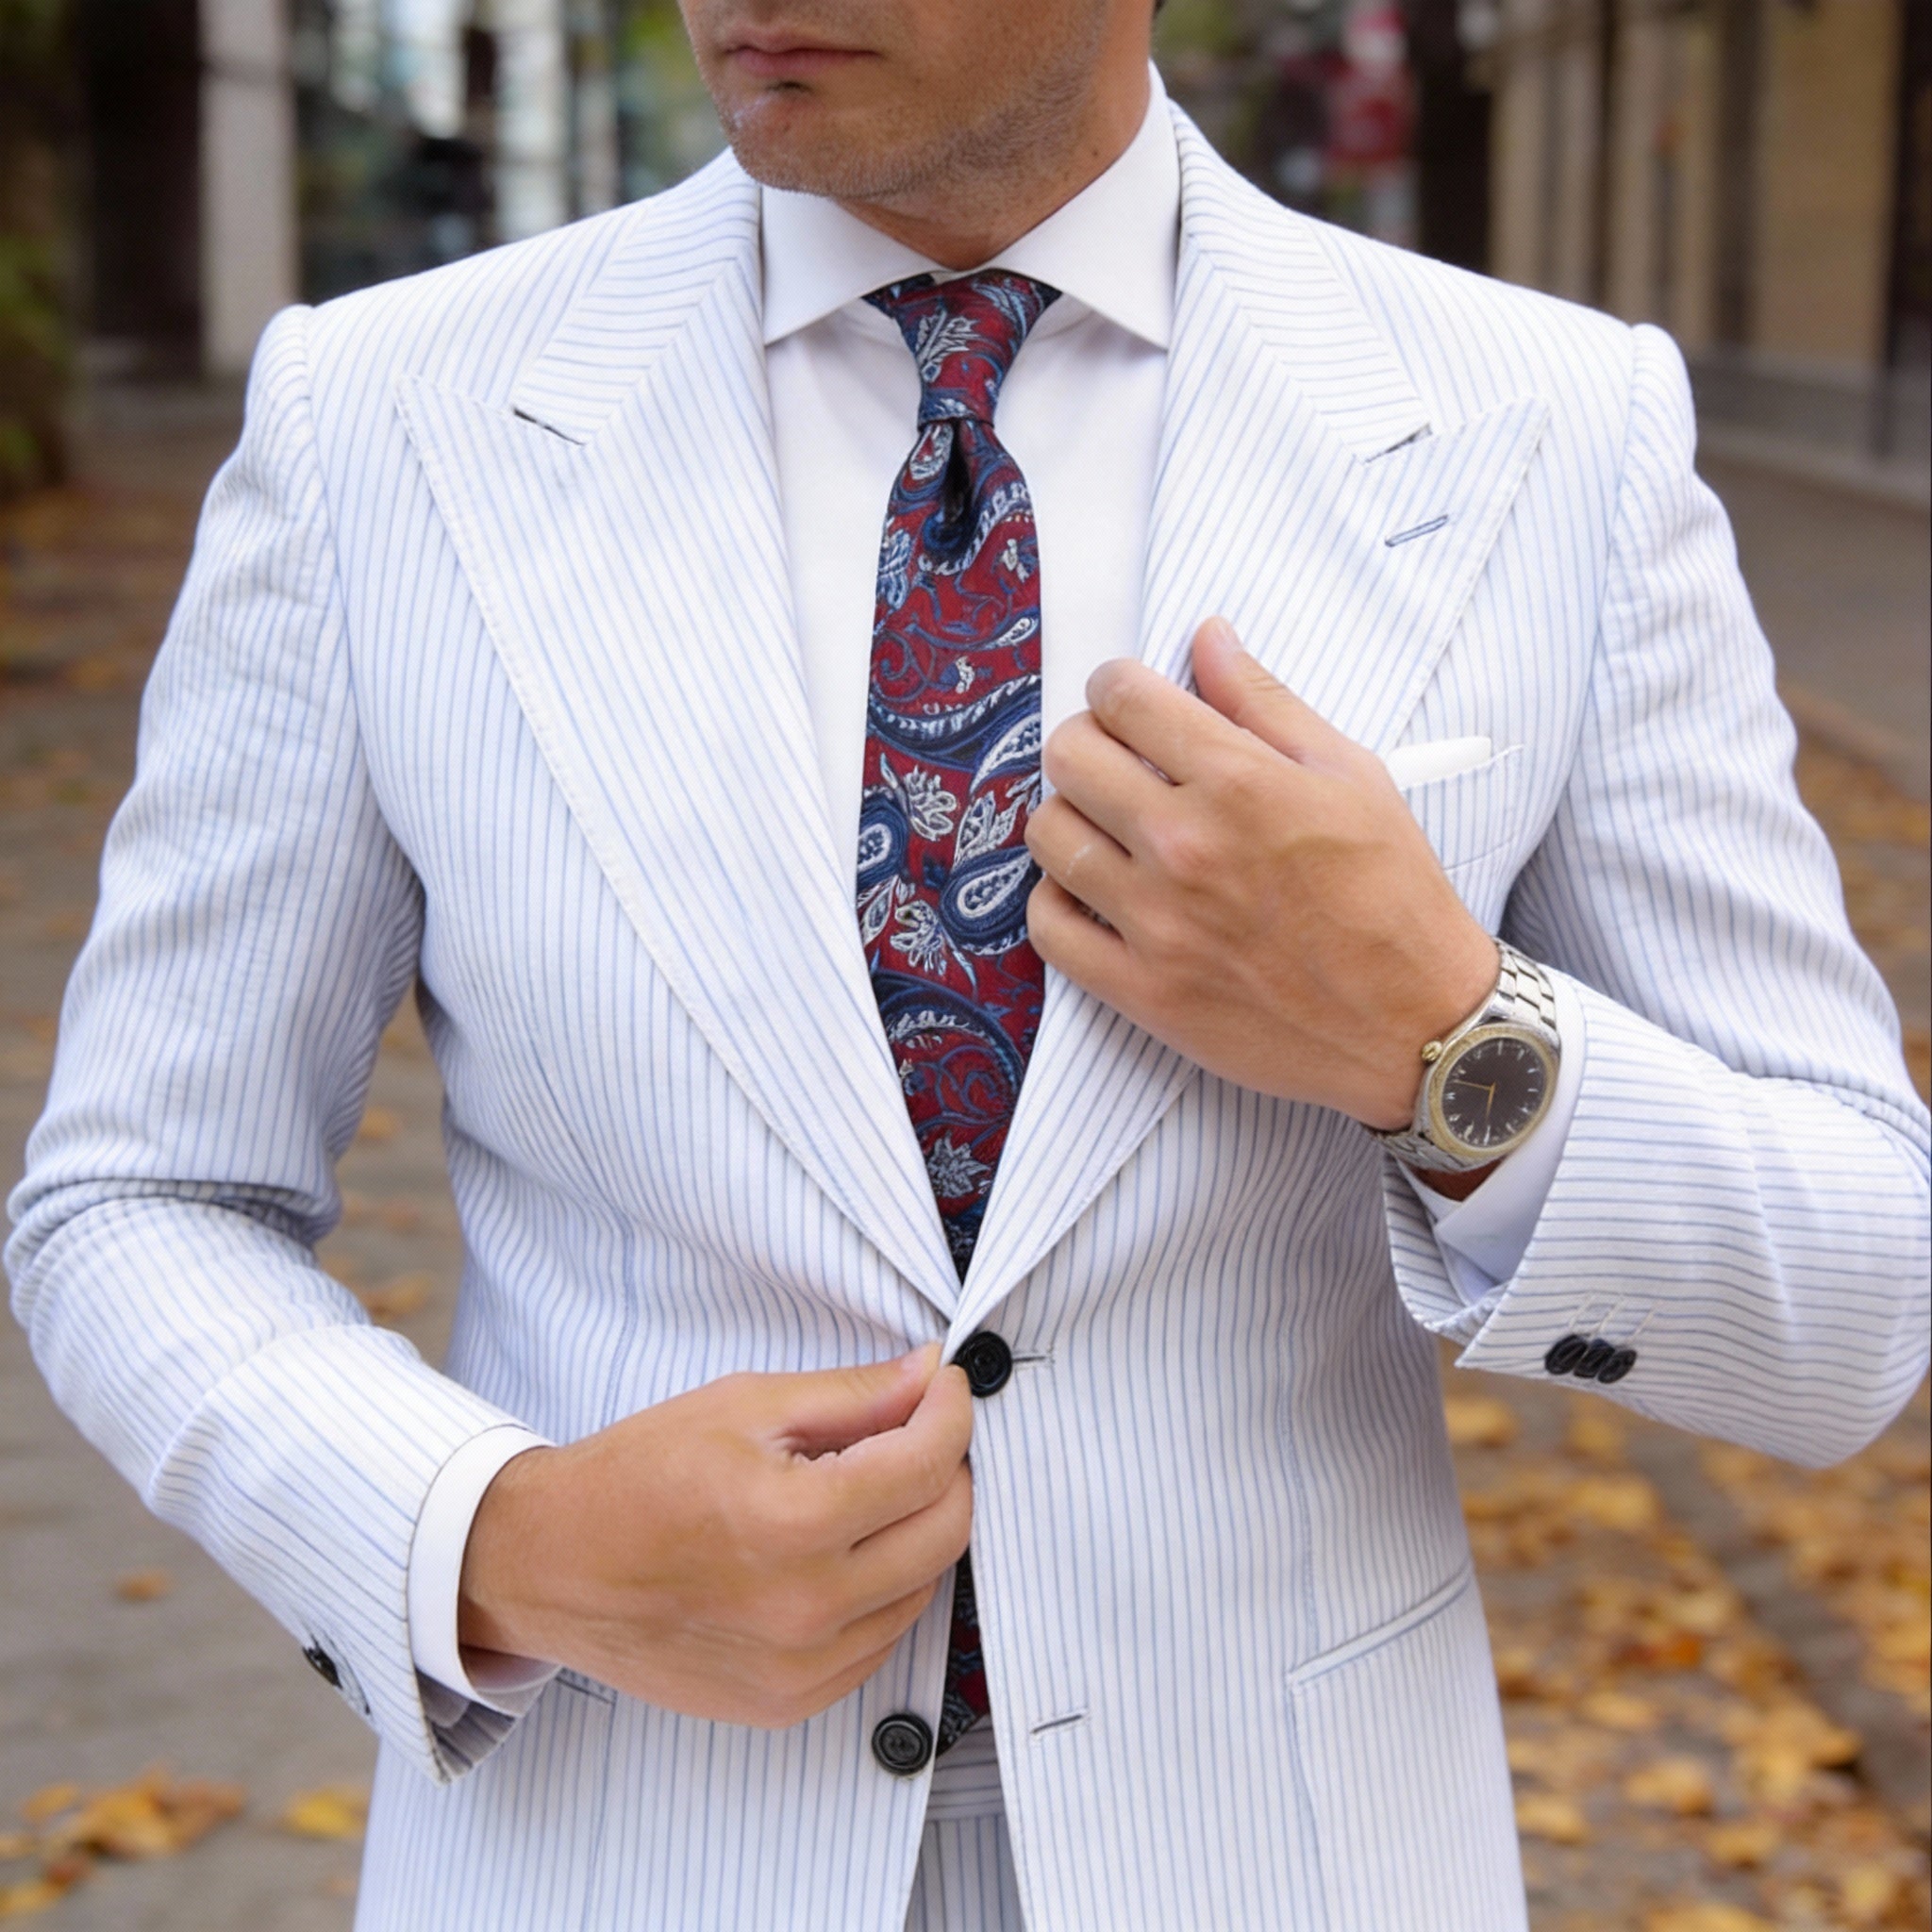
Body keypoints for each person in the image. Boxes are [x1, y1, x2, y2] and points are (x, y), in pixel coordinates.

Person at [8, 0, 1928, 1924]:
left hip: (1280, 1854)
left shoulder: (1551, 427)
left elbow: (1855, 1299)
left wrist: (1444, 1043)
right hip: (621, 1844)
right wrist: (498, 1541)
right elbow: (141, 1197)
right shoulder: (381, 418)